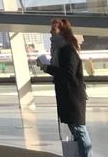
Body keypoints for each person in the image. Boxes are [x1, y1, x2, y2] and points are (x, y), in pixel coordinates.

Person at [41, 18, 91, 156]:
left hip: (73, 95)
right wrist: (48, 67)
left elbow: (68, 73)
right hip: (67, 94)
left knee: (79, 128)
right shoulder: (59, 50)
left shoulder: (67, 50)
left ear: (62, 32)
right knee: (75, 128)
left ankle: (86, 155)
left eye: (53, 30)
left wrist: (48, 68)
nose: (51, 33)